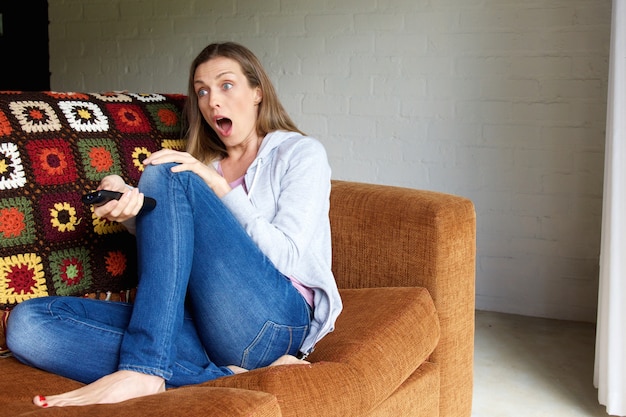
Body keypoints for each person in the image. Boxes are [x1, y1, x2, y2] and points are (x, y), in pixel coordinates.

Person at [6, 41, 342, 408]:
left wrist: (219, 189)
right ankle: (226, 377)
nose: (213, 101)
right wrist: (130, 211)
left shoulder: (299, 153)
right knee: (28, 325)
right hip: (199, 327)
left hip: (274, 324)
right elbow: (176, 250)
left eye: (226, 85)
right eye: (202, 91)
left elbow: (288, 256)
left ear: (257, 92)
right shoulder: (202, 166)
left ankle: (144, 367)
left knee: (165, 170)